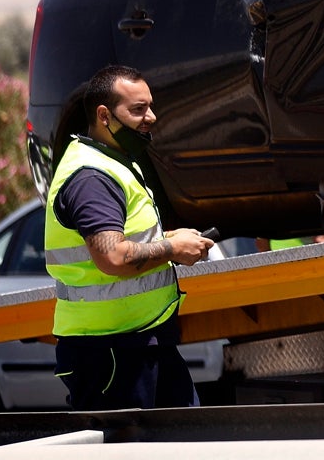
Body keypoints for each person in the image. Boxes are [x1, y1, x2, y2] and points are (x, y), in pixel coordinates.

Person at [44, 65, 214, 410]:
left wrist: (169, 236)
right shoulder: (91, 176)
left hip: (138, 343)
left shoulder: (113, 161)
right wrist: (172, 248)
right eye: (137, 109)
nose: (150, 117)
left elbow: (120, 240)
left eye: (149, 106)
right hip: (111, 353)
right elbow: (113, 257)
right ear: (104, 115)